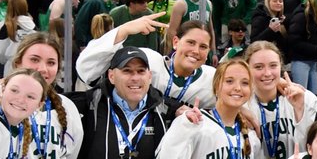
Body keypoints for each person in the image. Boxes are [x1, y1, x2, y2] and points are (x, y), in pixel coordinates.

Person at [77, 15, 217, 116]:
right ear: (175, 42)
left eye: (203, 46)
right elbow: (87, 71)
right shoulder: (147, 60)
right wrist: (124, 30)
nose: (196, 51)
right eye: (190, 43)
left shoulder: (213, 78)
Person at [245, 41, 317, 159]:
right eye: (258, 67)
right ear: (247, 69)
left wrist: (300, 110)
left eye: (273, 66)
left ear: (281, 66)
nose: (267, 73)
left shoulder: (306, 98)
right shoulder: (242, 106)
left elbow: (312, 148)